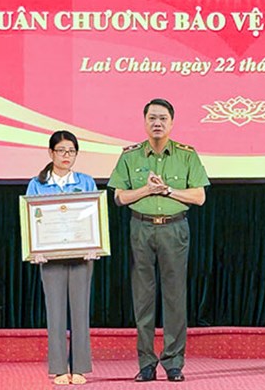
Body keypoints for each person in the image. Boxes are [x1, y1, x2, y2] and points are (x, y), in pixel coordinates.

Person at [108, 98, 210, 383]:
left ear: (171, 123)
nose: (157, 123)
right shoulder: (130, 156)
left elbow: (199, 197)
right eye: (152, 118)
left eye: (163, 118)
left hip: (174, 229)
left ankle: (174, 362)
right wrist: (146, 189)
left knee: (175, 297)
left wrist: (167, 191)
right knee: (143, 299)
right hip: (140, 229)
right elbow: (119, 197)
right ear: (144, 122)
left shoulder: (187, 155)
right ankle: (146, 363)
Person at [26, 130, 99, 386]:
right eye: (61, 151)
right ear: (50, 153)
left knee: (80, 311)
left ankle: (79, 368)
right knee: (55, 312)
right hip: (50, 257)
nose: (66, 156)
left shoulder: (86, 182)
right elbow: (31, 221)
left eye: (71, 151)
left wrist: (95, 246)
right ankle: (59, 369)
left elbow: (94, 219)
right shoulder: (37, 184)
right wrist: (36, 250)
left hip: (82, 256)